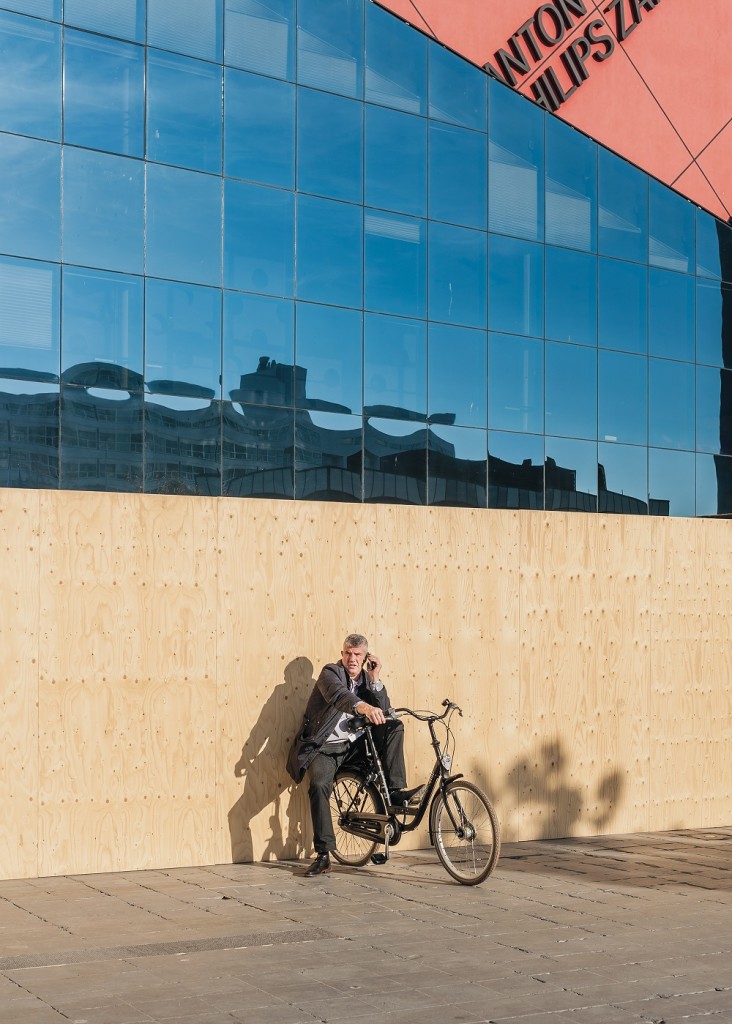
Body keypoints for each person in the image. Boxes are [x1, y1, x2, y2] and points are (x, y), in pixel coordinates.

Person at [286, 633, 423, 877]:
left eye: (357, 655)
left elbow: (385, 710)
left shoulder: (366, 680)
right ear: (342, 654)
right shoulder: (330, 673)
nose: (352, 658)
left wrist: (375, 680)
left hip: (353, 748)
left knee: (394, 726)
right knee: (318, 785)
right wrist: (363, 707)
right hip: (324, 748)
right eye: (348, 653)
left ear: (365, 657)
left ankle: (395, 793)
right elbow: (340, 697)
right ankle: (324, 855)